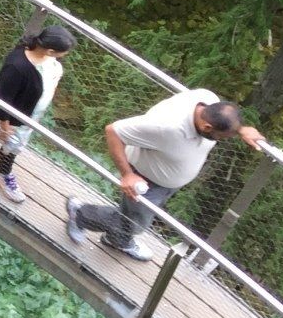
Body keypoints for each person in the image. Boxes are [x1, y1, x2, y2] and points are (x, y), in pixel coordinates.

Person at [64, 92, 264, 263]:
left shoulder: (207, 100)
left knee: (133, 219)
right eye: (221, 138)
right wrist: (127, 175)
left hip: (166, 180)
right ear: (207, 128)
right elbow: (113, 131)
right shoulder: (167, 127)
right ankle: (80, 214)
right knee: (133, 222)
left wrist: (241, 130)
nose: (220, 141)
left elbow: (223, 117)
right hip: (145, 179)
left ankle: (117, 240)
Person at [0, 25, 77, 203]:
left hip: (24, 112)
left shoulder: (38, 54)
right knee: (11, 144)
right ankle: (3, 174)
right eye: (64, 52)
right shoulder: (18, 66)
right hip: (13, 118)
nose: (65, 55)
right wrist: (6, 129)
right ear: (51, 50)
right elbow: (1, 101)